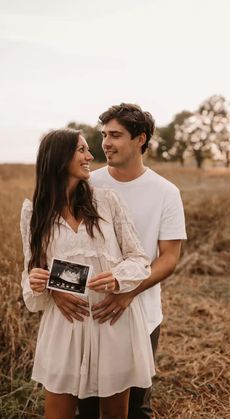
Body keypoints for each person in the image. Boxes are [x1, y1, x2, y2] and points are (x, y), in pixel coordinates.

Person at [53, 104, 187, 419]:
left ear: (140, 139)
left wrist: (128, 291)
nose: (106, 143)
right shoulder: (87, 183)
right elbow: (65, 247)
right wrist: (56, 289)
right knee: (86, 406)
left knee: (136, 408)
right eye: (103, 135)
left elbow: (169, 258)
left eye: (115, 135)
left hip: (142, 312)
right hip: (88, 315)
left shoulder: (166, 192)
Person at [20, 128, 156, 419]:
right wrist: (42, 285)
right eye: (81, 150)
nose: (91, 156)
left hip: (111, 320)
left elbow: (139, 258)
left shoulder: (107, 201)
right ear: (58, 158)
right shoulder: (34, 212)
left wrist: (118, 278)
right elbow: (32, 270)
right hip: (67, 324)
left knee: (114, 416)